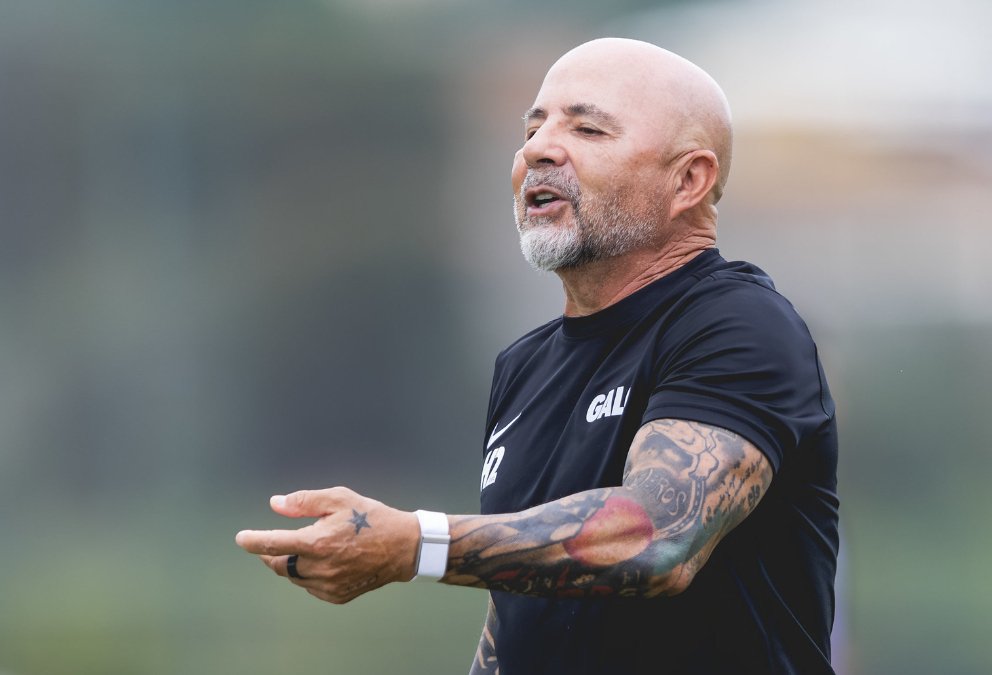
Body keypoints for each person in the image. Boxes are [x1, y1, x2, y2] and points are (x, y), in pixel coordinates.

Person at [236, 37, 839, 674]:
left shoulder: (737, 324)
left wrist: (417, 544)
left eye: (587, 128)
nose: (538, 148)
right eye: (534, 125)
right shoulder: (524, 366)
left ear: (688, 179)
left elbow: (658, 537)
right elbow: (519, 624)